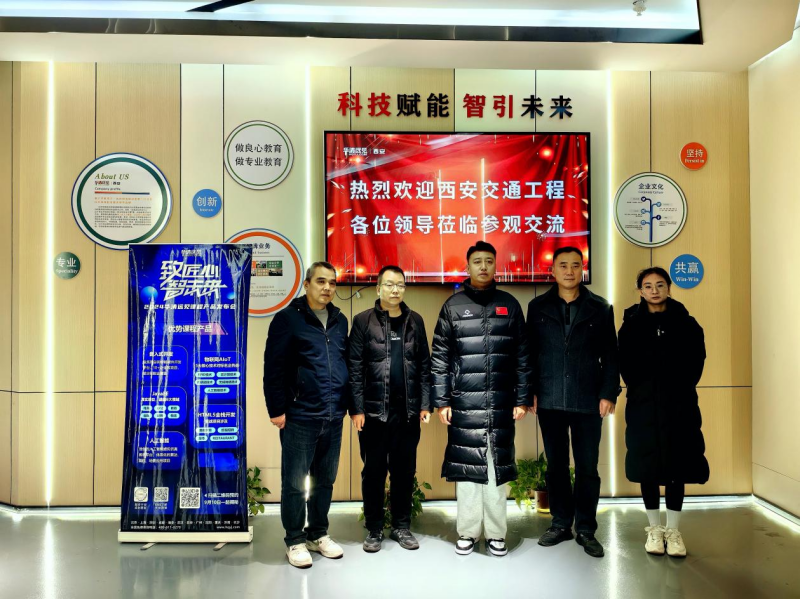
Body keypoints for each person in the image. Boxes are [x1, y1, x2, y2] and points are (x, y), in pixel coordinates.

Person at [431, 241, 530, 557]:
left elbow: (523, 356)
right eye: (477, 261)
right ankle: (468, 532)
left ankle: (497, 534)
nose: (484, 266)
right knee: (468, 469)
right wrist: (442, 400)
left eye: (489, 261)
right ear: (468, 266)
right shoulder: (453, 306)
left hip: (501, 402)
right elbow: (440, 357)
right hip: (465, 402)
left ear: (496, 265)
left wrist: (522, 399)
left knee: (496, 468)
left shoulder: (509, 304)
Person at [526, 246, 619, 558]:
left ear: (583, 269)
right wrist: (530, 391)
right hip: (550, 397)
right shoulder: (537, 307)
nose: (569, 271)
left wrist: (608, 393)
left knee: (587, 467)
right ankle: (560, 523)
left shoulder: (600, 307)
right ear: (552, 270)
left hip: (588, 398)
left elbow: (611, 354)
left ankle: (587, 528)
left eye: (575, 265)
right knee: (556, 466)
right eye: (563, 265)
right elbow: (529, 353)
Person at [263, 261, 350, 569]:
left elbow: (344, 364)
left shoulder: (340, 320)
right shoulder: (288, 319)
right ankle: (295, 539)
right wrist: (276, 409)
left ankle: (318, 534)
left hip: (333, 415)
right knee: (295, 482)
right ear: (307, 284)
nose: (327, 287)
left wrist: (347, 404)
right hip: (300, 415)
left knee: (325, 480)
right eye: (321, 281)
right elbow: (273, 367)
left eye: (332, 283)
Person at [619, 267, 707, 558]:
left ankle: (674, 531)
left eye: (660, 285)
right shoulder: (631, 324)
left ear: (669, 287)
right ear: (640, 291)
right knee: (647, 465)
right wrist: (644, 389)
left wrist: (676, 388)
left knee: (677, 466)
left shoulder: (687, 323)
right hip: (643, 406)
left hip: (680, 405)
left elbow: (696, 363)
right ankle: (654, 530)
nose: (654, 290)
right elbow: (625, 364)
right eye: (648, 286)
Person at [348, 265, 432, 553]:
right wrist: (356, 408)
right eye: (390, 284)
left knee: (404, 471)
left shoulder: (415, 320)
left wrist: (425, 404)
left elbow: (424, 365)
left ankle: (401, 526)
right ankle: (374, 528)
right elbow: (355, 368)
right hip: (373, 413)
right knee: (373, 471)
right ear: (378, 288)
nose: (395, 290)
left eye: (400, 285)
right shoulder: (362, 321)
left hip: (407, 413)